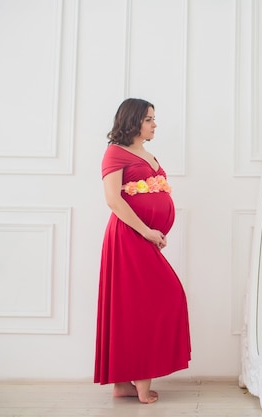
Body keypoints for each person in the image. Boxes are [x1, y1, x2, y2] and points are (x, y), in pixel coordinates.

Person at [94, 98, 191, 404]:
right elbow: (113, 200)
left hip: (144, 239)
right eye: (149, 119)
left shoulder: (147, 153)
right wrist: (146, 230)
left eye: (154, 118)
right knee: (146, 305)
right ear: (133, 121)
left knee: (137, 305)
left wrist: (154, 232)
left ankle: (123, 383)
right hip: (127, 237)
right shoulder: (114, 153)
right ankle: (139, 384)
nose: (154, 124)